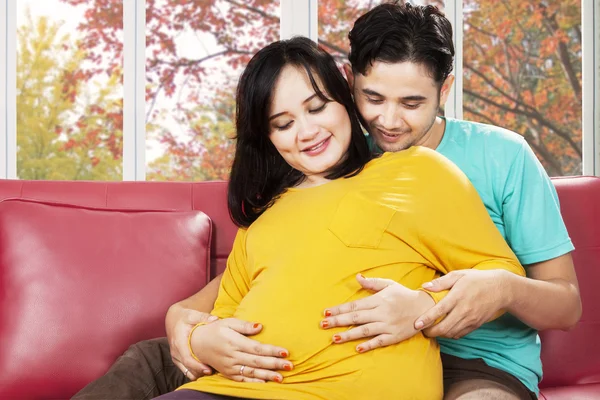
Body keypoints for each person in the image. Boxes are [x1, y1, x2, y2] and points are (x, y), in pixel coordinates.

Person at [73, 3, 581, 400]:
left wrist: (491, 288)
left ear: (444, 89)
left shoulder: (497, 156)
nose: (388, 122)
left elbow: (566, 303)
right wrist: (183, 319)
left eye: (412, 103)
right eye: (371, 98)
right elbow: (276, 263)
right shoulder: (330, 148)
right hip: (320, 354)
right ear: (348, 82)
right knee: (149, 360)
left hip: (474, 361)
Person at [150, 36, 525, 400]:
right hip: (228, 390)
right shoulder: (263, 220)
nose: (307, 132)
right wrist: (203, 341)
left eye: (316, 108)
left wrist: (424, 307)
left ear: (344, 99)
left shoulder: (417, 172)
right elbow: (223, 316)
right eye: (283, 124)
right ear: (267, 139)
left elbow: (499, 272)